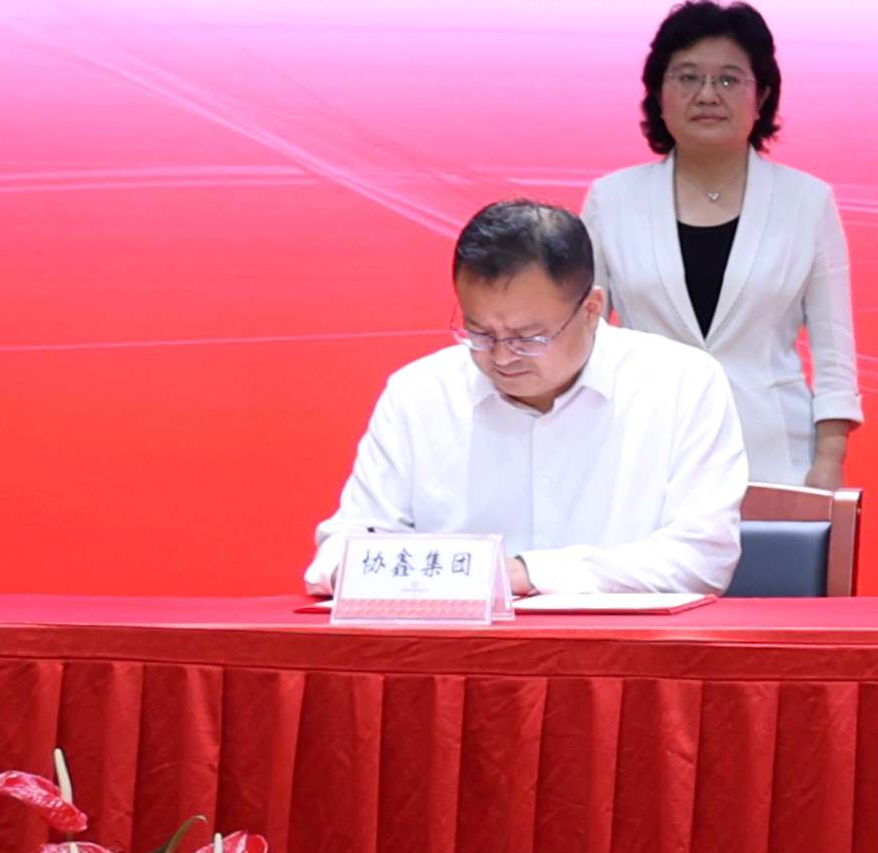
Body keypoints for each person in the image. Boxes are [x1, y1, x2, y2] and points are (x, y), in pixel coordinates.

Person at [305, 200, 751, 598]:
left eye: (529, 337)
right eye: (479, 333)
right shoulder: (419, 393)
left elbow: (701, 558)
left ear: (591, 309)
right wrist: (353, 567)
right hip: (458, 655)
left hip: (626, 655)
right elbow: (350, 540)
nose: (502, 357)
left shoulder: (680, 383)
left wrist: (525, 574)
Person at [581, 0, 861, 494]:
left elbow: (834, 349)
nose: (707, 94)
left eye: (729, 80)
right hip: (641, 451)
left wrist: (829, 460)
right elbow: (584, 339)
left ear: (762, 95)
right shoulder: (611, 200)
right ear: (658, 93)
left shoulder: (807, 202)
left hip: (773, 455)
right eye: (687, 77)